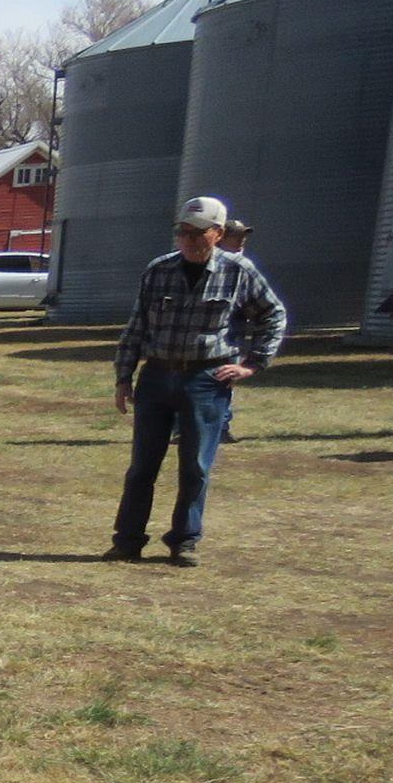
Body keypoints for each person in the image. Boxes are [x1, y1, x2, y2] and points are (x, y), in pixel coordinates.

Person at [103, 195, 287, 568]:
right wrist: (124, 376)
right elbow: (137, 325)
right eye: (182, 232)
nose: (188, 239)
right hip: (156, 375)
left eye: (197, 233)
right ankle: (128, 541)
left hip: (206, 379)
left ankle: (184, 541)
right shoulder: (159, 270)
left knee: (195, 466)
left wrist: (252, 364)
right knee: (142, 466)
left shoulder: (239, 272)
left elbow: (274, 314)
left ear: (218, 233)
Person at [218, 218, 256, 440]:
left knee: (227, 378)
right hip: (214, 330)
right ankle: (182, 429)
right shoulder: (210, 263)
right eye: (236, 235)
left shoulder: (245, 266)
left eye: (244, 235)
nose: (242, 239)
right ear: (221, 237)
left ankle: (221, 428)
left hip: (235, 330)